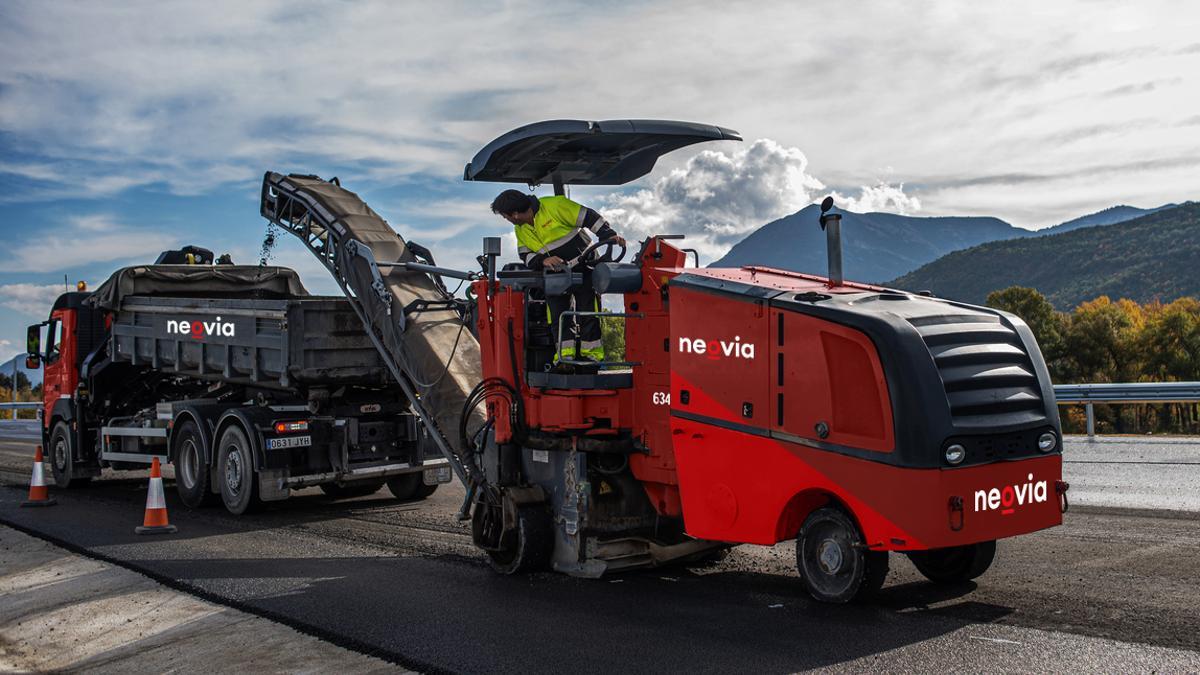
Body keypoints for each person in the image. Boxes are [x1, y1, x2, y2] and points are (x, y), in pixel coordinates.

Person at [491, 189, 625, 363]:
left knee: (588, 312)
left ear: (514, 214)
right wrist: (543, 260)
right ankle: (564, 357)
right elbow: (525, 255)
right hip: (556, 276)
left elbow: (589, 216)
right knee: (557, 316)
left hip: (585, 267)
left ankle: (592, 356)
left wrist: (609, 235)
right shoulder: (520, 230)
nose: (506, 220)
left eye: (505, 216)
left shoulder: (555, 205)